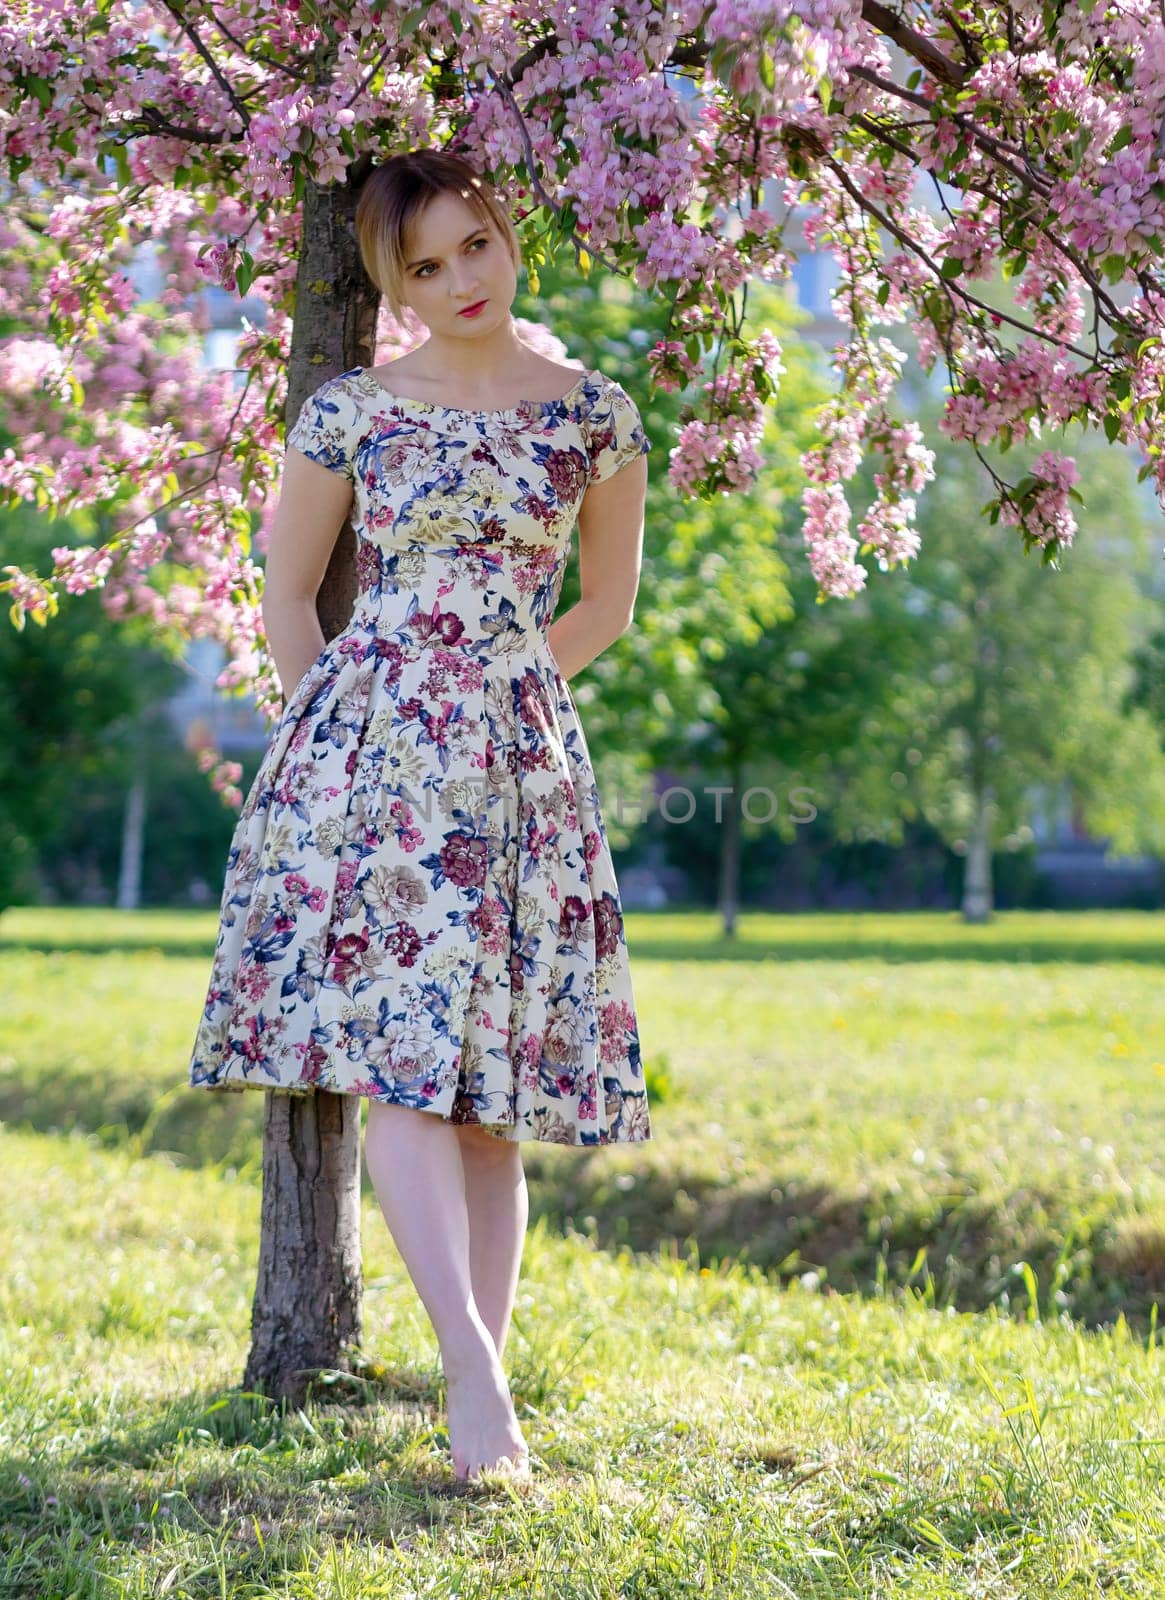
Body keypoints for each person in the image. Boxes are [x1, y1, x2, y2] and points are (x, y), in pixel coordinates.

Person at [186, 147, 653, 1482]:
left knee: (488, 1094)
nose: (458, 280)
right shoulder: (351, 411)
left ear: (514, 242)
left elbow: (604, 609)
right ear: (393, 281)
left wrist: (494, 698)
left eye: (477, 247)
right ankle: (474, 1381)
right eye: (424, 264)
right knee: (400, 1062)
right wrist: (332, 744)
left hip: (515, 763)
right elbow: (289, 594)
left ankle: (478, 1390)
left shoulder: (592, 416)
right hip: (368, 765)